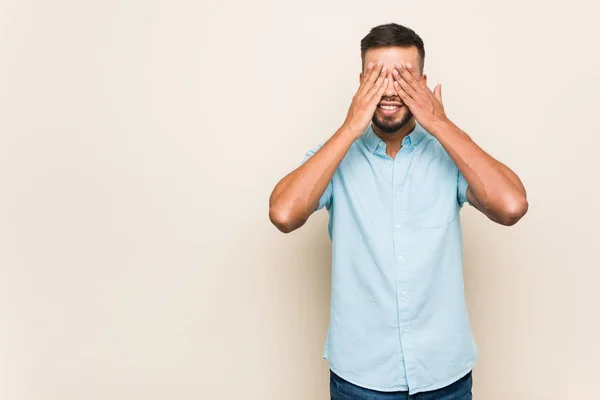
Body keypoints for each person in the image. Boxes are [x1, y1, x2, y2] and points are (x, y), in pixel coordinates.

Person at [268, 23, 528, 400]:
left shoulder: (448, 156)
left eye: (403, 77)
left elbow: (511, 205)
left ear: (423, 82)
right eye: (377, 76)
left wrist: (438, 123)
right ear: (360, 83)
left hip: (445, 377)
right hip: (361, 379)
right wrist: (350, 126)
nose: (390, 90)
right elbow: (283, 214)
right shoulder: (336, 157)